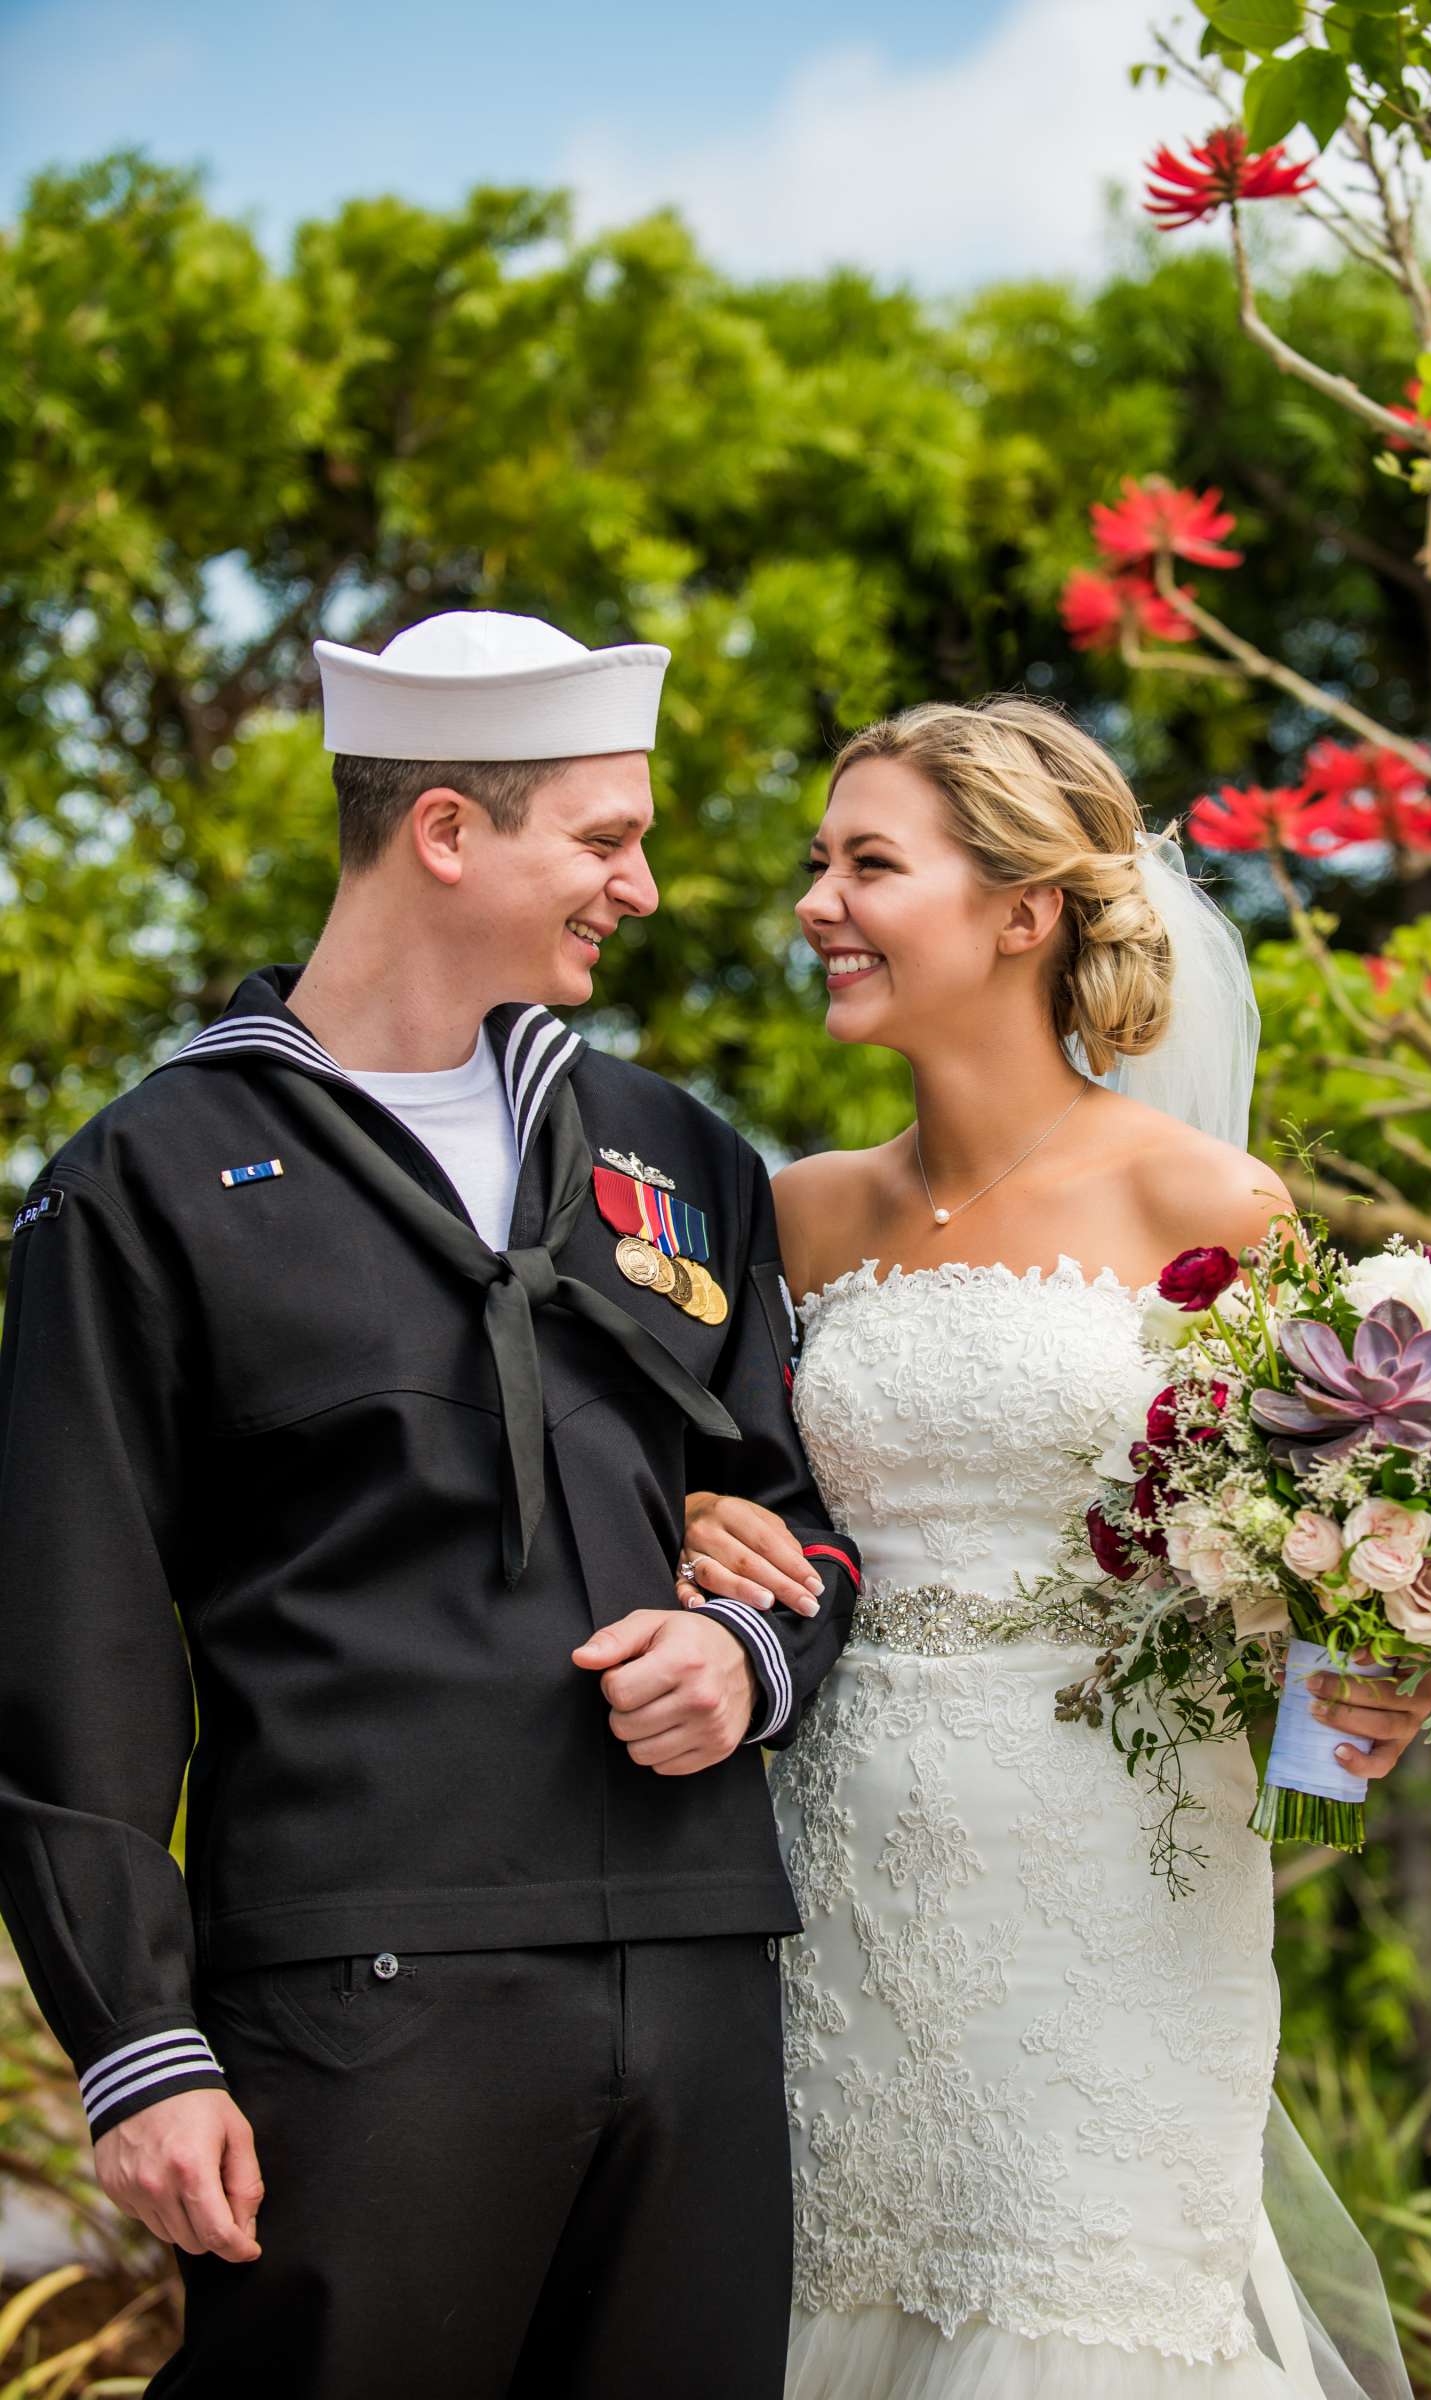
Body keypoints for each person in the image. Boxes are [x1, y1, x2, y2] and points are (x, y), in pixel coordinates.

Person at [0, 609, 860, 2400]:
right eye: (605, 840)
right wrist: (136, 2045)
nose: (643, 884)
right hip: (359, 1995)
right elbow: (68, 1642)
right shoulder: (142, 1183)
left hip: (699, 1974)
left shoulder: (683, 1155)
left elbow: (800, 1528)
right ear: (448, 830)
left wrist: (746, 1659)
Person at [675, 696, 1423, 2399]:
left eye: (872, 863)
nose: (818, 903)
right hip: (827, 1872)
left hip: (1119, 1889)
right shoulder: (794, 1213)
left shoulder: (1212, 1210)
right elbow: (737, 1504)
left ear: (1024, 911)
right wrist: (701, 1526)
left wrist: (1347, 1734)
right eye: (819, 861)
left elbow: (1332, 1575)